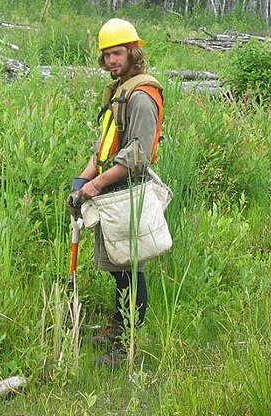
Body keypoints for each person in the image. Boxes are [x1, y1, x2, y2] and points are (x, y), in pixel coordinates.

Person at [67, 18, 164, 366]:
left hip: (128, 192)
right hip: (111, 188)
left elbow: (135, 158)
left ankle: (125, 347)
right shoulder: (121, 90)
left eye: (118, 53)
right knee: (118, 268)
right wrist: (82, 181)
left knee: (130, 269)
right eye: (106, 54)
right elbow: (104, 150)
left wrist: (94, 186)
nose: (111, 60)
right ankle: (118, 328)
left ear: (133, 53)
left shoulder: (141, 97)